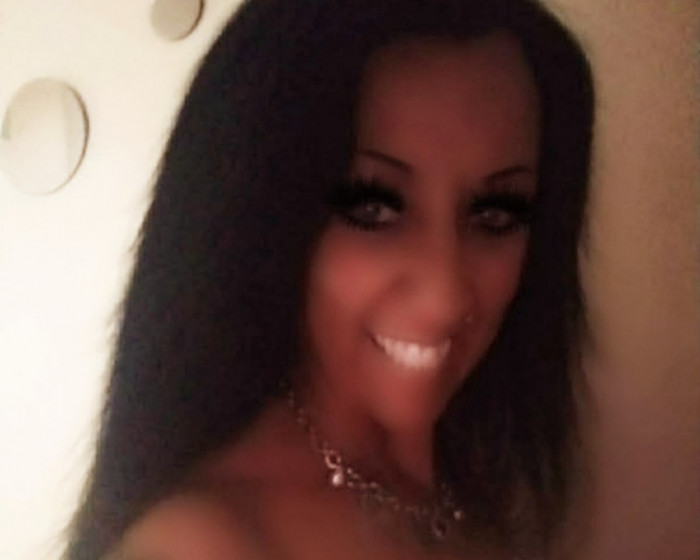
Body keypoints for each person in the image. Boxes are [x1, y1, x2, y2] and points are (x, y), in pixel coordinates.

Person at [65, 0, 593, 558]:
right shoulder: (198, 545)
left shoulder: (484, 474)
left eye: (496, 215)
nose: (445, 296)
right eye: (373, 208)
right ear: (262, 215)